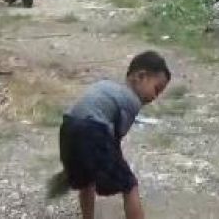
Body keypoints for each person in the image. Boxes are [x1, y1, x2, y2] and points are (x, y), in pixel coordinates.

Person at [47, 51, 171, 219]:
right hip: (92, 131)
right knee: (129, 185)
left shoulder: (108, 86)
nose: (155, 97)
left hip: (68, 127)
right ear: (140, 77)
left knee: (86, 181)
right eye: (156, 89)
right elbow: (115, 137)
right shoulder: (131, 101)